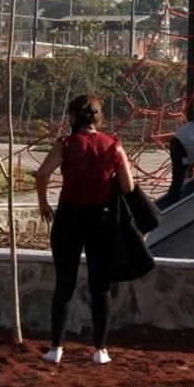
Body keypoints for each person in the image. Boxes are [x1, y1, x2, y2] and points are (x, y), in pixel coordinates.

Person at [35, 94, 135, 365]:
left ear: (72, 117)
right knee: (100, 285)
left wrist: (43, 203)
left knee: (64, 283)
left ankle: (56, 348)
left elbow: (42, 173)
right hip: (101, 219)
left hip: (69, 217)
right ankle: (100, 350)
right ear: (98, 117)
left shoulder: (66, 144)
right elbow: (129, 187)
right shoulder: (113, 145)